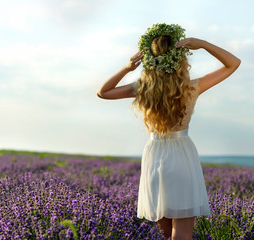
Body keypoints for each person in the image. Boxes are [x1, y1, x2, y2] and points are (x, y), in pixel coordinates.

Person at [97, 23, 241, 240]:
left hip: (154, 156)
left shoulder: (142, 89)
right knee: (182, 233)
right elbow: (233, 64)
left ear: (150, 59)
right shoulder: (191, 88)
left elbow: (103, 92)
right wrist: (202, 44)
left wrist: (128, 67)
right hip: (182, 155)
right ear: (179, 59)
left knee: (165, 233)